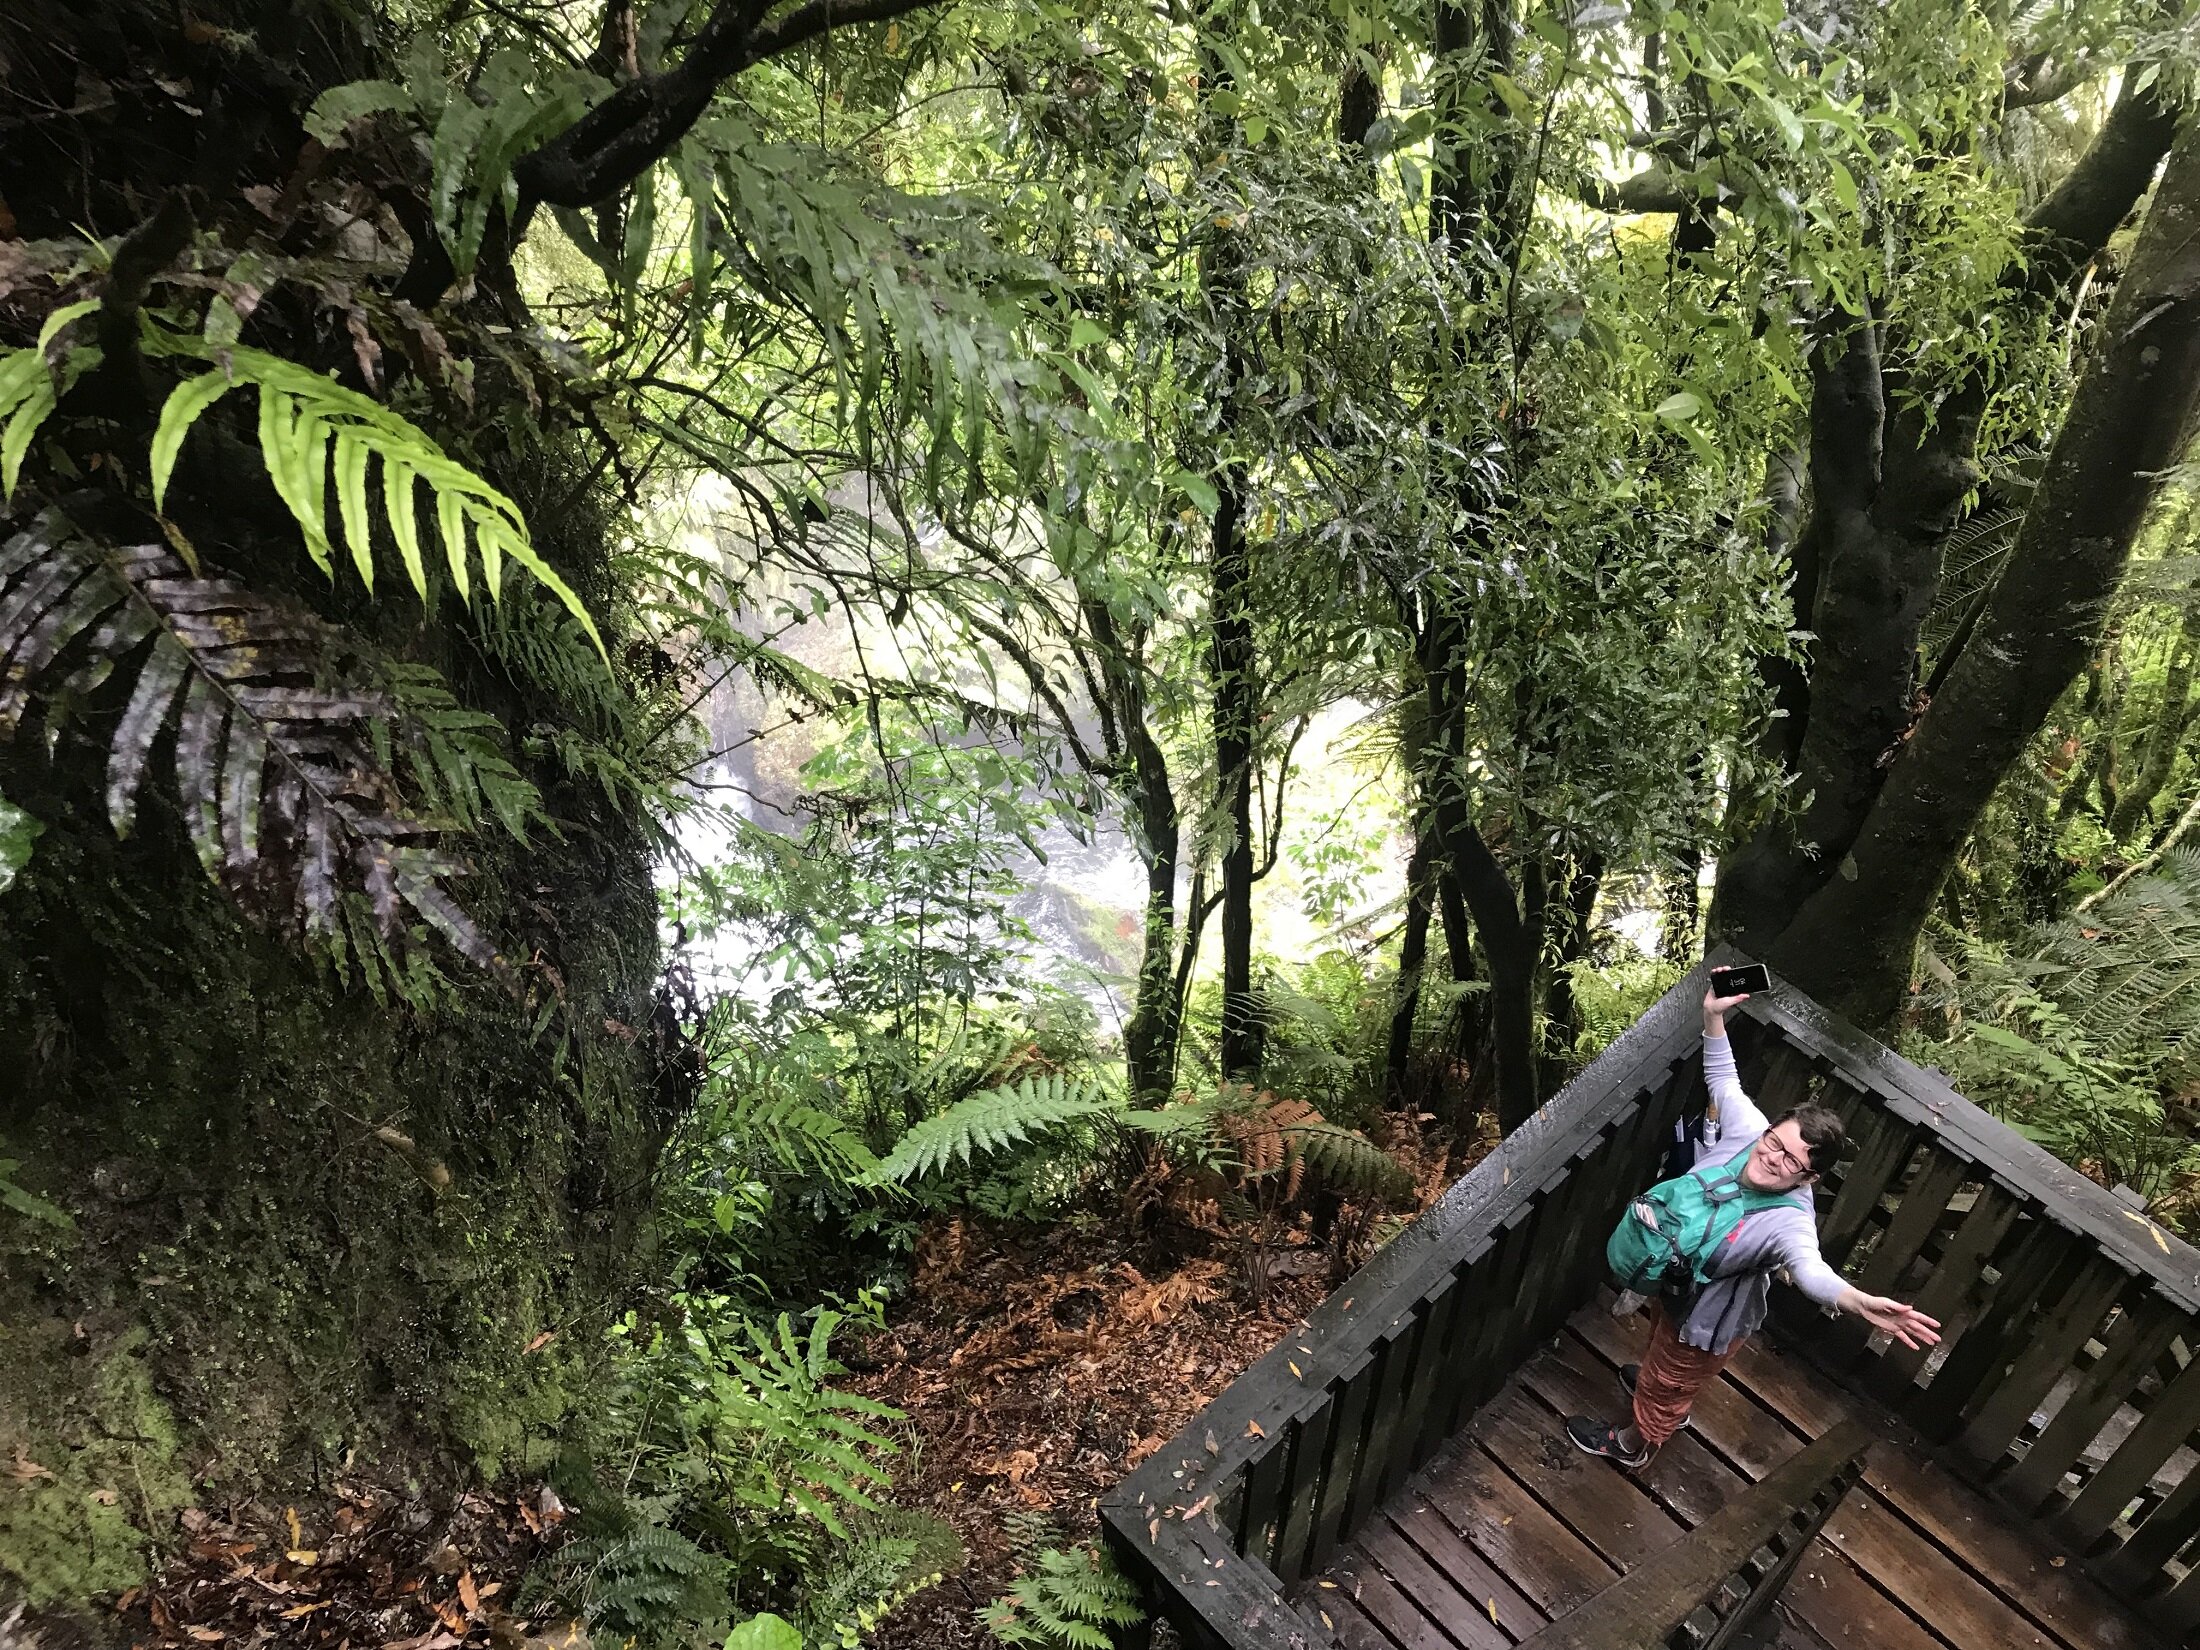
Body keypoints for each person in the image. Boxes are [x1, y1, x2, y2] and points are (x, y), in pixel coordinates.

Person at [1564, 983, 1942, 1469]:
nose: (1774, 1159)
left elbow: (1809, 1269)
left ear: (1811, 1176)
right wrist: (1713, 1017)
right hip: (1677, 1286)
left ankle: (1636, 1442)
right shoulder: (1747, 1130)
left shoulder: (1789, 1221)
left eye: (1793, 1161)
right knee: (1662, 1349)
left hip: (1702, 1324)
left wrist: (1856, 1301)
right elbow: (1724, 1079)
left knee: (1667, 1384)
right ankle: (1662, 1387)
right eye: (1775, 1143)